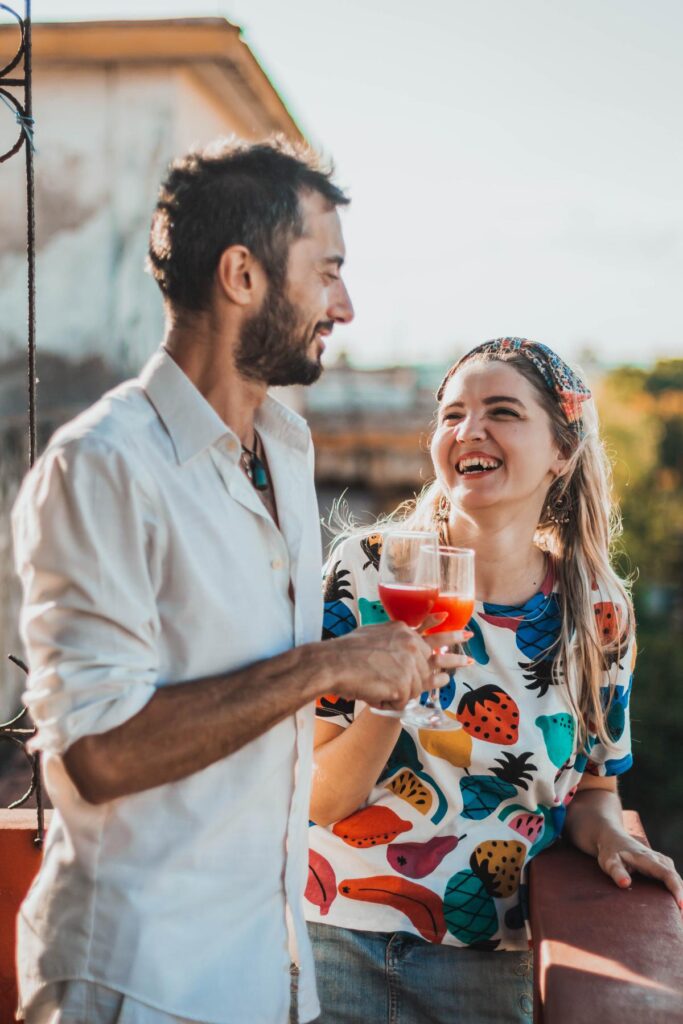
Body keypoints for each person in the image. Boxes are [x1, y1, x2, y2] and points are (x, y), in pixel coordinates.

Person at [11, 138, 457, 1024]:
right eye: (326, 272)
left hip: (270, 975)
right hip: (141, 982)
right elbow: (98, 756)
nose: (346, 304)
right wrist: (326, 667)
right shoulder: (102, 465)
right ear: (243, 276)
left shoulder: (286, 451)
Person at [304, 337, 683, 1024]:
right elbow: (318, 799)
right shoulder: (365, 572)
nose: (467, 431)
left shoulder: (596, 612)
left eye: (500, 412)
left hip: (488, 963)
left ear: (560, 453)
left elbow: (594, 788)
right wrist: (391, 701)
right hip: (331, 936)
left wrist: (610, 838)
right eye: (450, 415)